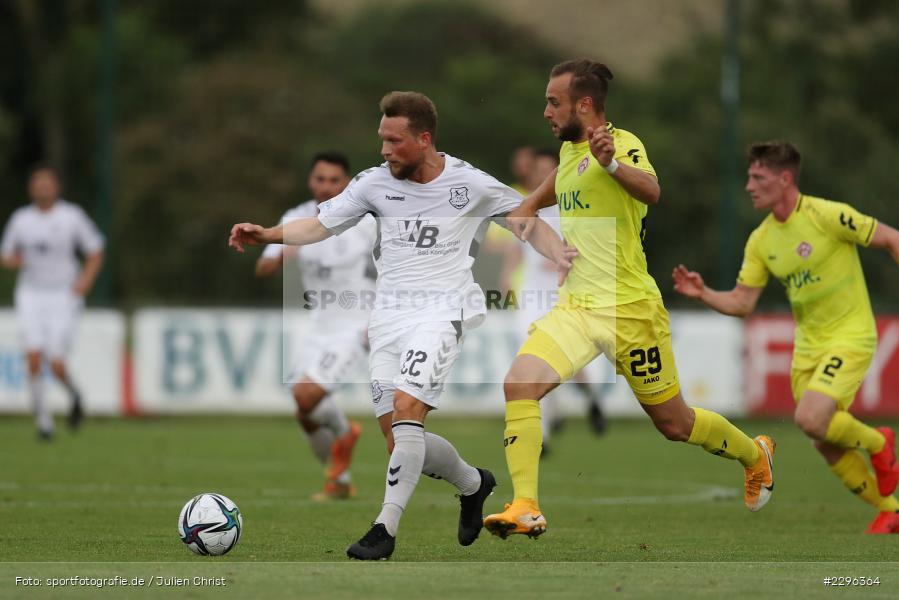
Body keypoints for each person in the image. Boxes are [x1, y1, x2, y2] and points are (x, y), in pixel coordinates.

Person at [229, 91, 576, 560]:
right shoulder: (373, 184)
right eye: (382, 140)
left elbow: (524, 220)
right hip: (388, 319)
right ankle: (474, 485)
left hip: (442, 314)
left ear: (424, 139)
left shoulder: (468, 184)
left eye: (394, 141)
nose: (384, 150)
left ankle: (383, 530)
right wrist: (268, 234)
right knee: (398, 439)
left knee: (409, 407)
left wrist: (560, 256)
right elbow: (321, 225)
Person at [484, 59, 774, 540]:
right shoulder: (569, 162)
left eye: (553, 102)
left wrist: (611, 163)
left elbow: (653, 191)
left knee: (675, 424)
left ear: (585, 104)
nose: (546, 112)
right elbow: (521, 213)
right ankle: (525, 507)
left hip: (629, 310)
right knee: (519, 385)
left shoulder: (621, 144)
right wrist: (554, 250)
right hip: (576, 308)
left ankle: (754, 455)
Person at [673, 140, 899, 534]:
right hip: (808, 347)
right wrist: (704, 292)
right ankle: (890, 509)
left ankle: (880, 443)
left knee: (810, 418)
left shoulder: (827, 215)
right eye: (748, 177)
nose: (749, 186)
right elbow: (743, 302)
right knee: (824, 441)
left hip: (850, 335)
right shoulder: (761, 240)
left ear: (785, 178)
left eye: (758, 177)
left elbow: (891, 238)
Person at [255, 152, 374, 501]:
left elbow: (393, 268)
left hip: (356, 324)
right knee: (304, 412)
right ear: (311, 181)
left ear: (347, 183)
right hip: (319, 325)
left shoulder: (365, 221)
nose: (326, 186)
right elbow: (262, 270)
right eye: (320, 179)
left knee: (307, 394)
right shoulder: (295, 218)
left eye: (334, 180)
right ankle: (340, 478)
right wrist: (279, 254)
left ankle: (344, 438)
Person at [486, 148, 607, 454]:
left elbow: (587, 246)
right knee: (532, 361)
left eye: (548, 170)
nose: (542, 175)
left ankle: (586, 401)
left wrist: (565, 259)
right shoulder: (527, 205)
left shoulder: (572, 207)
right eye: (538, 169)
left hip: (562, 294)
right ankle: (545, 434)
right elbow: (518, 245)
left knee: (563, 366)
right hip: (530, 297)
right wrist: (508, 273)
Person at [0, 165, 104, 439]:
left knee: (56, 363)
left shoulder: (71, 216)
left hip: (63, 295)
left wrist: (86, 280)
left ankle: (75, 395)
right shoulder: (21, 219)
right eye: (38, 183)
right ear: (30, 188)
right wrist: (13, 260)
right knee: (33, 356)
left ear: (56, 187)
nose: (42, 188)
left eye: (47, 183)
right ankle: (44, 423)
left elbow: (95, 249)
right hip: (31, 294)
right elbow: (6, 253)